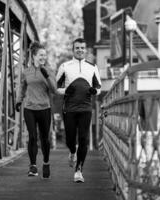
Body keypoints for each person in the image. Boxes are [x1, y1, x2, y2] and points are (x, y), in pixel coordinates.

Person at [56, 38, 101, 183]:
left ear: (85, 50)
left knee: (83, 139)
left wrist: (94, 91)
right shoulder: (65, 66)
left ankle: (78, 170)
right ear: (73, 50)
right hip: (69, 108)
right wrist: (66, 90)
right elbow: (56, 88)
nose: (80, 50)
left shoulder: (93, 67)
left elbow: (98, 87)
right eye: (77, 48)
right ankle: (72, 152)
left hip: (86, 108)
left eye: (82, 48)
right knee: (70, 139)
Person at [16, 41, 56, 178]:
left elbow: (54, 90)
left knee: (45, 139)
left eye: (45, 55)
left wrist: (46, 76)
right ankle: (33, 166)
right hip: (29, 108)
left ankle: (45, 162)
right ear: (33, 56)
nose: (43, 57)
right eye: (40, 55)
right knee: (32, 136)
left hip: (44, 108)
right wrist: (18, 100)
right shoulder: (26, 72)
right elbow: (22, 87)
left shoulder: (49, 70)